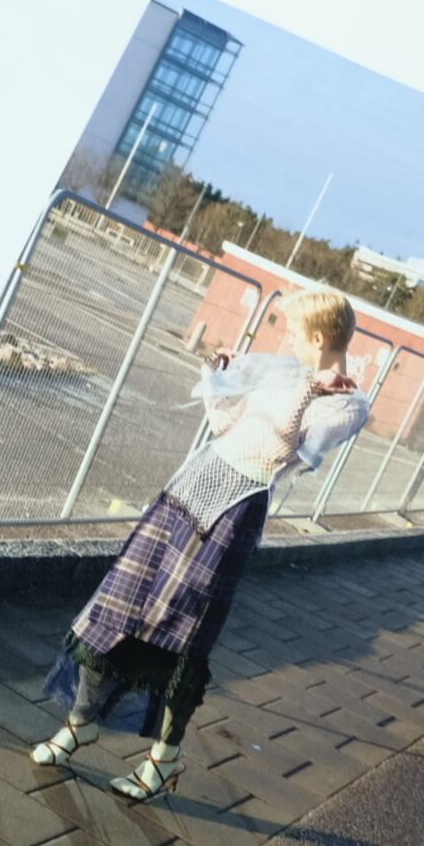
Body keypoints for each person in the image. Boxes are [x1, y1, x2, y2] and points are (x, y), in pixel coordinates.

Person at [29, 288, 372, 801]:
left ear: (320, 338)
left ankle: (164, 760)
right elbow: (226, 427)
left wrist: (309, 390)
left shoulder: (346, 405)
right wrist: (217, 381)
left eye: (295, 332)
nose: (287, 339)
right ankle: (80, 724)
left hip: (231, 515)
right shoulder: (288, 373)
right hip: (188, 490)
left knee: (181, 637)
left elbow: (283, 453)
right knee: (116, 609)